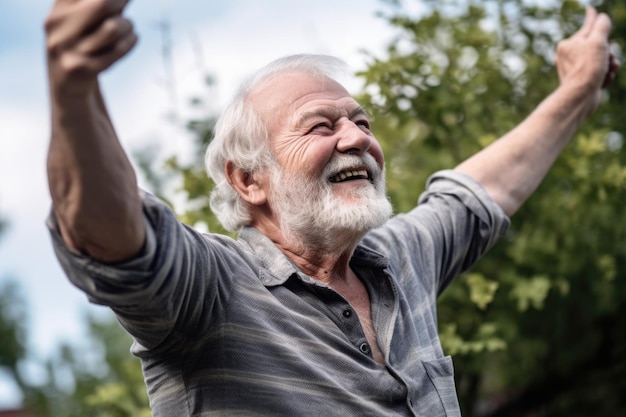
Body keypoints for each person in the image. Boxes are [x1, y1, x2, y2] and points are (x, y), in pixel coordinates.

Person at [44, 0, 618, 415]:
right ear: (249, 181)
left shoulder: (398, 260)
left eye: (361, 122)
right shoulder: (210, 288)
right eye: (321, 126)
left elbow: (480, 192)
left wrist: (576, 91)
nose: (355, 139)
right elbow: (110, 234)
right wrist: (74, 93)